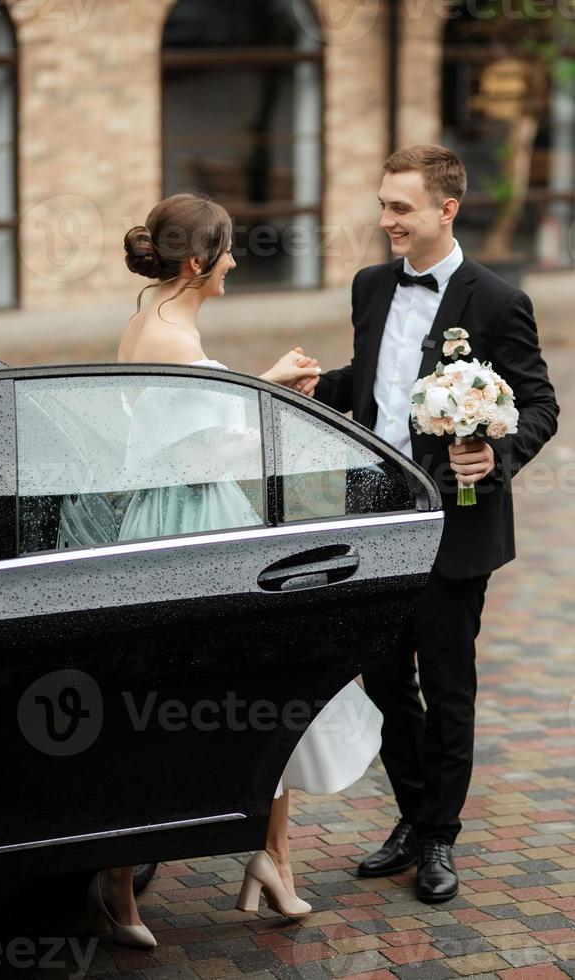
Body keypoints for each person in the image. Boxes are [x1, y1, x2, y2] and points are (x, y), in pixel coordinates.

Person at [87, 193, 383, 947]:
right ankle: (120, 884)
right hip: (189, 528)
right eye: (225, 252)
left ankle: (272, 860)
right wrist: (271, 387)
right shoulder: (172, 339)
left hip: (204, 517)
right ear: (197, 263)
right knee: (175, 708)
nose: (235, 261)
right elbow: (197, 454)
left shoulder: (156, 308)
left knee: (265, 691)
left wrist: (259, 387)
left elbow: (184, 428)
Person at [314, 145, 559, 903]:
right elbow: (376, 381)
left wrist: (499, 452)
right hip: (375, 517)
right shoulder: (369, 287)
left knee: (449, 688)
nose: (385, 220)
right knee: (385, 679)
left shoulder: (497, 301)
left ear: (446, 210)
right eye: (383, 205)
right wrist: (313, 384)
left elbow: (540, 402)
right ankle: (415, 818)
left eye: (400, 208)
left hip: (455, 526)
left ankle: (441, 838)